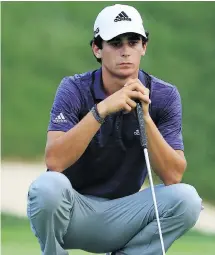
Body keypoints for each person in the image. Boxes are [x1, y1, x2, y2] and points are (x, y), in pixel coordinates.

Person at [27, 4, 202, 255]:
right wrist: (102, 110)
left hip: (126, 216)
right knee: (47, 187)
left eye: (133, 42)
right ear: (97, 49)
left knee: (187, 200)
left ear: (144, 47)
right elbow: (54, 160)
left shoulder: (164, 95)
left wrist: (145, 118)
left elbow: (173, 176)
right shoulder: (74, 88)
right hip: (74, 213)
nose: (125, 52)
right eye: (115, 43)